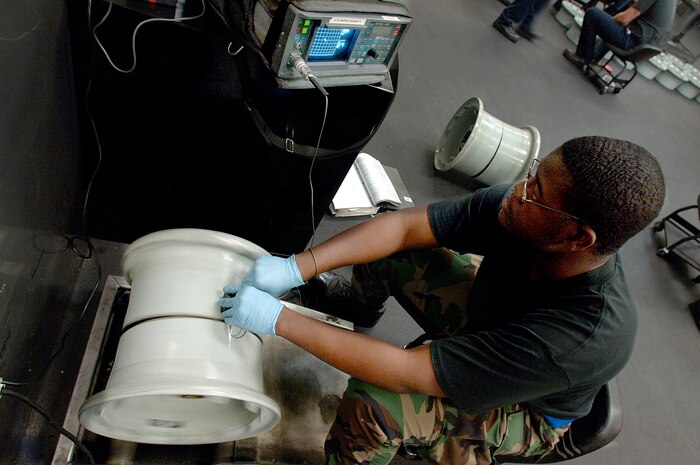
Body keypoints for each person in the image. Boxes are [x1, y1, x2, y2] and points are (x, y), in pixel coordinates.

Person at [218, 136, 665, 464]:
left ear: (575, 237)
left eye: (535, 191)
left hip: (524, 410)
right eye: (532, 175)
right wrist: (298, 265)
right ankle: (357, 309)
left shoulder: (579, 337)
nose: (516, 189)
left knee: (376, 402)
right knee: (394, 248)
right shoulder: (527, 213)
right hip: (497, 325)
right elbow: (404, 228)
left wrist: (279, 320)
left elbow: (409, 373)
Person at [563, 0, 677, 67]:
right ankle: (594, 57)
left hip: (632, 44)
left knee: (593, 13)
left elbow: (625, 19)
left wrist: (610, 19)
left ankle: (583, 58)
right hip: (644, 47)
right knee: (615, 23)